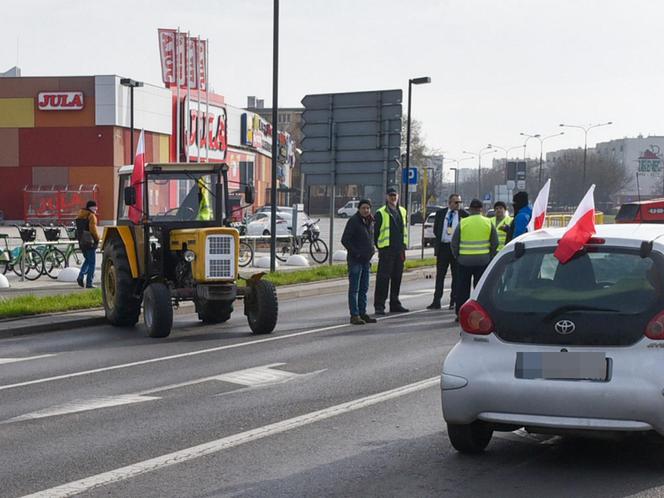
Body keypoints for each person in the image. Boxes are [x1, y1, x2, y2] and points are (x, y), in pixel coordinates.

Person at [451, 199, 498, 319]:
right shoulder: (488, 222)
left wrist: (457, 256)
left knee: (462, 289)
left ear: (470, 209)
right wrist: (490, 256)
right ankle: (480, 314)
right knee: (480, 289)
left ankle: (460, 314)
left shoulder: (463, 222)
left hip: (464, 261)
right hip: (483, 261)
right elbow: (495, 242)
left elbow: (454, 243)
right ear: (481, 209)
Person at [427, 193, 468, 310]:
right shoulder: (441, 213)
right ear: (449, 203)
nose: (458, 204)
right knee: (440, 275)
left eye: (459, 202)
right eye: (456, 202)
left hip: (455, 248)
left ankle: (453, 301)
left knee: (456, 276)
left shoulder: (463, 214)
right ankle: (436, 301)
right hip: (443, 247)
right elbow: (436, 229)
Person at [373, 187, 409, 315]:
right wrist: (380, 247)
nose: (393, 198)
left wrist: (403, 247)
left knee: (397, 278)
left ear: (398, 196)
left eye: (395, 195)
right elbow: (375, 233)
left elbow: (404, 229)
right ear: (387, 197)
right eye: (391, 195)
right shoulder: (380, 213)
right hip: (386, 250)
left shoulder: (403, 211)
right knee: (383, 279)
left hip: (399, 250)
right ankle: (379, 305)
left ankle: (395, 303)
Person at [341, 199, 377, 325]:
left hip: (366, 260)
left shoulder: (370, 221)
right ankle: (354, 315)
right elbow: (345, 240)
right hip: (355, 260)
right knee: (354, 289)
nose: (366, 210)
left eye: (368, 208)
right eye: (363, 208)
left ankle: (363, 312)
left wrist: (372, 250)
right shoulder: (354, 221)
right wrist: (356, 253)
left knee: (364, 288)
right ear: (359, 209)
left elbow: (371, 238)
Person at [75, 200, 100, 289]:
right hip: (90, 242)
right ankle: (89, 283)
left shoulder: (80, 215)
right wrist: (97, 239)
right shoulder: (91, 216)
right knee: (92, 262)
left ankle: (81, 276)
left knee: (87, 260)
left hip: (82, 241)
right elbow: (93, 229)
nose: (96, 208)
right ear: (91, 207)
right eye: (95, 206)